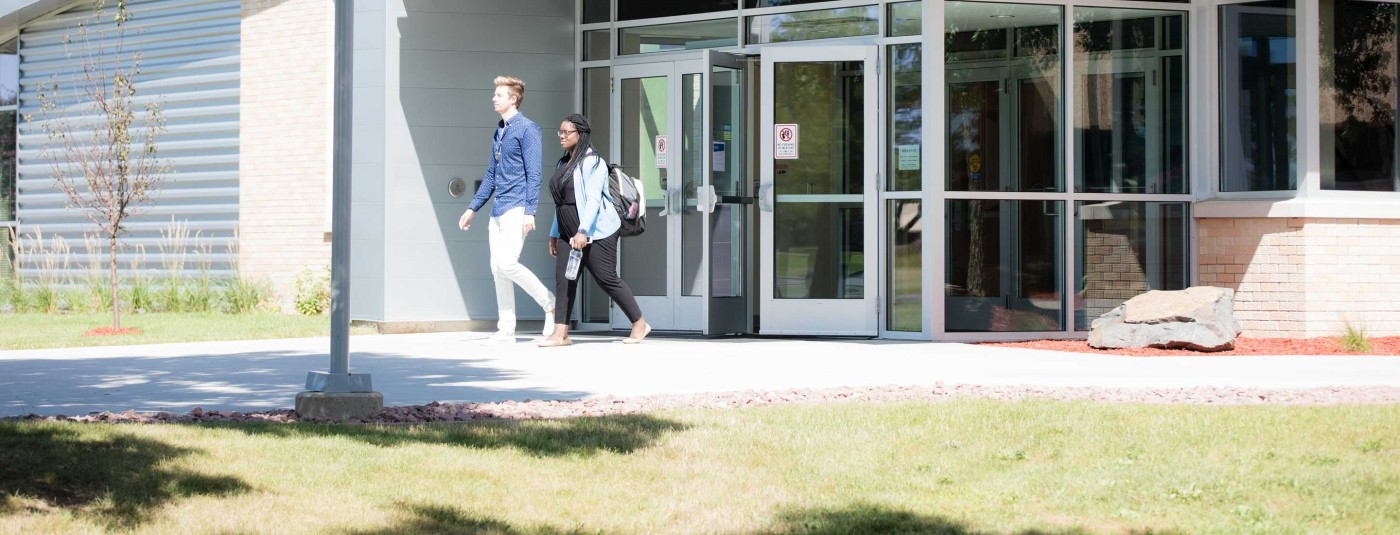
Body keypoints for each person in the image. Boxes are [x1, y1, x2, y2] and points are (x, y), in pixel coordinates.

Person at [538, 114, 650, 347]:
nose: (561, 136)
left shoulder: (593, 162)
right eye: (560, 132)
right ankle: (561, 334)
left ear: (580, 134)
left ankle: (639, 323)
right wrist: (554, 232)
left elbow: (592, 201)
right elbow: (561, 203)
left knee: (606, 278)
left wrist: (583, 230)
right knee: (564, 281)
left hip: (597, 232)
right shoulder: (562, 163)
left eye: (566, 132)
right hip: (567, 232)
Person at [458, 76, 555, 345]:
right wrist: (472, 208)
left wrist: (530, 211)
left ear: (513, 99)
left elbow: (534, 173)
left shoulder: (528, 129)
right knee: (497, 269)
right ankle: (506, 330)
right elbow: (491, 174)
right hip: (498, 209)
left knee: (508, 263)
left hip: (517, 207)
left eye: (499, 95)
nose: (493, 98)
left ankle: (549, 303)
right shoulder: (499, 130)